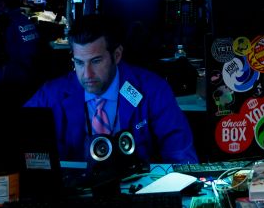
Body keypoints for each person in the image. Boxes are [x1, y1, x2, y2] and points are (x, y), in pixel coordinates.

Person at [25, 13, 198, 164]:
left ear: (116, 55)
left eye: (96, 61)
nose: (87, 74)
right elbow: (19, 139)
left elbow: (182, 158)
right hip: (75, 193)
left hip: (137, 191)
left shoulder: (153, 90)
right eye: (79, 63)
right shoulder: (51, 94)